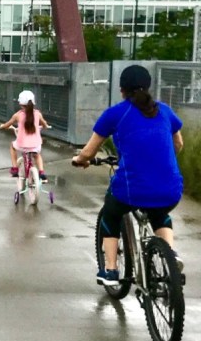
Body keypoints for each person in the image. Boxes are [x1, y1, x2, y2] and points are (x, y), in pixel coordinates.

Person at [72, 64, 184, 286]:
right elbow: (178, 144)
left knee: (111, 214)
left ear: (122, 90)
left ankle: (111, 270)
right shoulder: (165, 111)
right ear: (148, 87)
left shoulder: (115, 114)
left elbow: (88, 151)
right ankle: (171, 256)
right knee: (160, 213)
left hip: (133, 189)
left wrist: (80, 161)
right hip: (171, 188)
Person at [0, 89, 51, 181]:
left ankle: (15, 169)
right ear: (33, 103)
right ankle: (42, 172)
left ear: (20, 103)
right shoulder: (38, 114)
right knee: (37, 155)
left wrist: (3, 126)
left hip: (22, 146)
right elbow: (44, 123)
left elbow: (8, 124)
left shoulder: (17, 115)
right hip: (36, 146)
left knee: (12, 146)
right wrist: (46, 126)